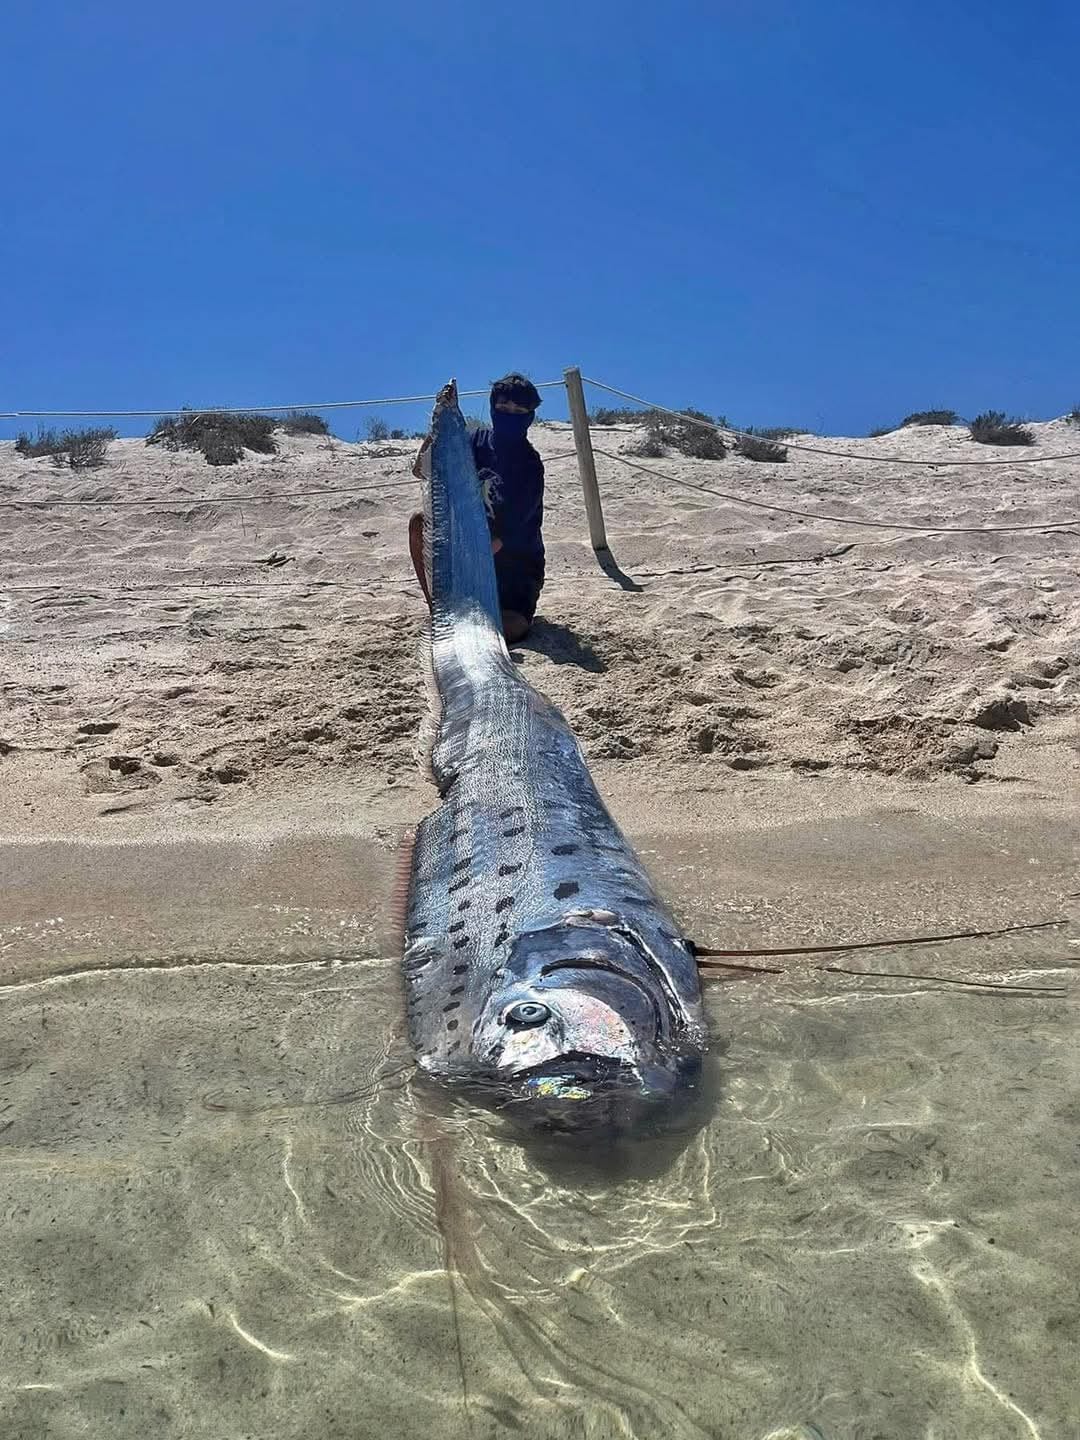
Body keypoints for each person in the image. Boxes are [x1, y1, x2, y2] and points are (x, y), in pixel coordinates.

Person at [409, 373, 545, 642]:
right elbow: (420, 470)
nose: (511, 414)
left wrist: (467, 562)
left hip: (514, 566)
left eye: (519, 410)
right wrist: (440, 424)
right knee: (418, 522)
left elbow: (507, 535)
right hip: (465, 550)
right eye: (504, 408)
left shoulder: (530, 465)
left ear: (530, 416)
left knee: (509, 628)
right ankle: (439, 612)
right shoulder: (472, 442)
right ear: (493, 407)